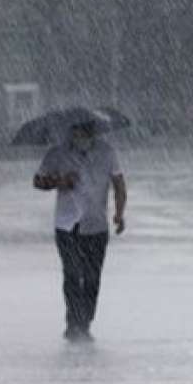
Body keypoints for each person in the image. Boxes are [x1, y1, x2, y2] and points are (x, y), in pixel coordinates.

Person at [33, 120, 126, 342]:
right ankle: (73, 322)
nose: (80, 136)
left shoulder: (107, 153)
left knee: (92, 277)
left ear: (92, 132)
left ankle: (85, 321)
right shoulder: (57, 154)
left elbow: (119, 184)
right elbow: (38, 181)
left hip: (96, 224)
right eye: (76, 131)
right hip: (67, 224)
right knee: (73, 274)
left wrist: (119, 214)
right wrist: (59, 181)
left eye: (84, 131)